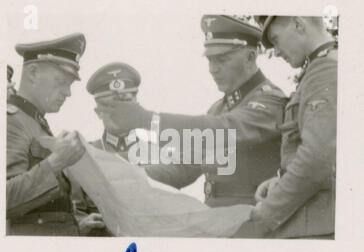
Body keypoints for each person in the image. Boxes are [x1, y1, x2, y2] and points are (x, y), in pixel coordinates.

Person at [95, 15, 287, 208]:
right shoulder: (218, 109)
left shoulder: (269, 100)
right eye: (210, 60)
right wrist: (114, 168)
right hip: (220, 219)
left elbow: (222, 130)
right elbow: (183, 166)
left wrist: (146, 119)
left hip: (255, 220)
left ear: (250, 57)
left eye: (222, 59)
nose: (213, 69)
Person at [232, 16, 337, 239]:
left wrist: (268, 213)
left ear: (299, 25)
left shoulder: (325, 72)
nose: (277, 52)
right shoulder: (321, 68)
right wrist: (280, 179)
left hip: (315, 228)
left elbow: (318, 159)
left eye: (276, 40)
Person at [6, 33, 105, 236]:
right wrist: (57, 161)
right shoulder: (10, 121)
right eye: (61, 81)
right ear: (33, 73)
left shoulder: (33, 122)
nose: (68, 92)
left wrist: (78, 225)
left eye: (69, 84)